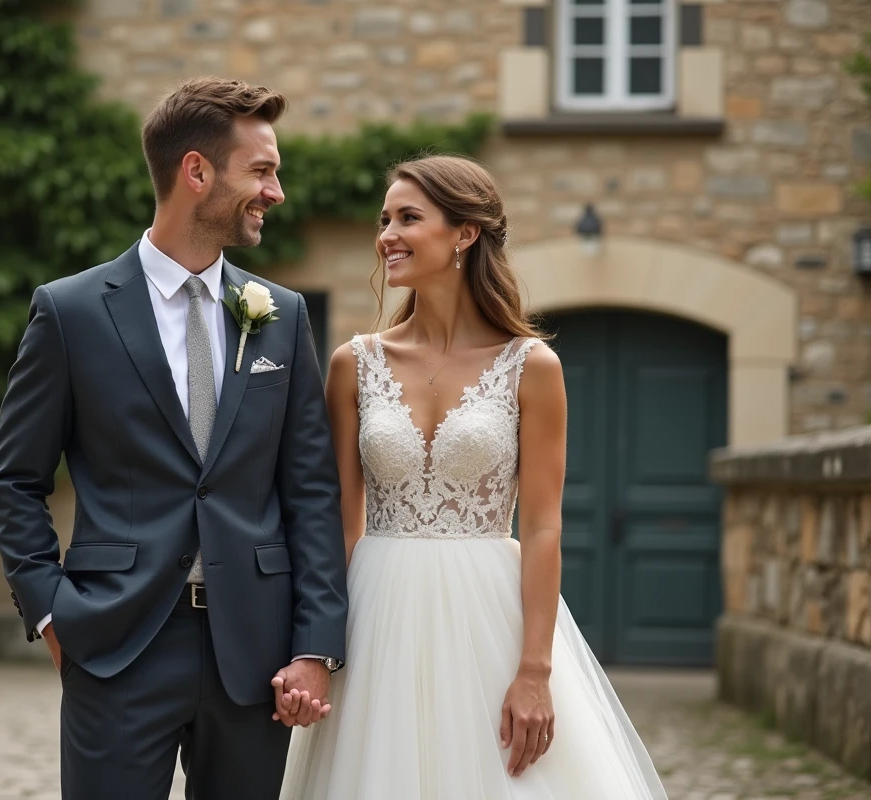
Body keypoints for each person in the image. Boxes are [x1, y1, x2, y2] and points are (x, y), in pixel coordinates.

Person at [0, 77, 349, 800]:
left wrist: (315, 644)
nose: (275, 191)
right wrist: (53, 612)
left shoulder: (281, 314)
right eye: (263, 170)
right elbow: (15, 480)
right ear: (196, 171)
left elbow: (310, 491)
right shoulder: (71, 312)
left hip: (255, 655)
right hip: (117, 644)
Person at [278, 155, 668, 799]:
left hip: (490, 617)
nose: (387, 235)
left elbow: (543, 525)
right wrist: (318, 648)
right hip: (376, 619)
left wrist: (535, 671)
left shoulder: (531, 367)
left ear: (464, 234)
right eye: (384, 219)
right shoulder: (355, 364)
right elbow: (335, 524)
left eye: (409, 217)